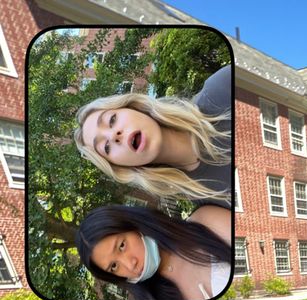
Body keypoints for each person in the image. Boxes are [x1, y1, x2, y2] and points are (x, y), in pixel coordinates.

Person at [74, 65, 232, 205]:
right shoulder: (200, 195)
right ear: (121, 167)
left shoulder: (221, 90)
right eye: (106, 147)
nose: (114, 135)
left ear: (133, 107)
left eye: (112, 119)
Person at [76, 203, 231, 300]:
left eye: (122, 246)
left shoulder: (205, 222)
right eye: (114, 266)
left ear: (134, 225)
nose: (130, 264)